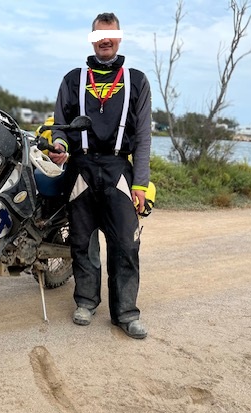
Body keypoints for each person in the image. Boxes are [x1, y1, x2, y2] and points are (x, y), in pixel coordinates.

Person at [48, 12, 152, 339]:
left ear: (119, 38)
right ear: (91, 39)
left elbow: (143, 137)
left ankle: (126, 313)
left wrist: (141, 183)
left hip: (119, 168)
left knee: (126, 244)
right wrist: (60, 146)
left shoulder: (137, 81)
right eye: (98, 35)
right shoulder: (73, 79)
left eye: (111, 35)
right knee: (82, 241)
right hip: (81, 167)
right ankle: (85, 302)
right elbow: (59, 126)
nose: (105, 40)